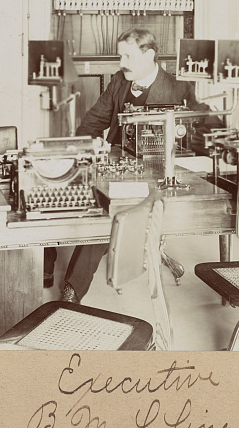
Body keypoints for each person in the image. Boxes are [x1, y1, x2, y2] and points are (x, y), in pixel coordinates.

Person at [48, 27, 215, 304]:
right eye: (120, 56)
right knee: (63, 191)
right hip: (116, 158)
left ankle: (72, 291)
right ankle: (45, 265)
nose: (121, 63)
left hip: (157, 167)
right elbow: (94, 121)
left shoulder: (180, 87)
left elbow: (205, 126)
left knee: (109, 209)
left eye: (127, 56)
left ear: (149, 54)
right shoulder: (118, 82)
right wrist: (83, 148)